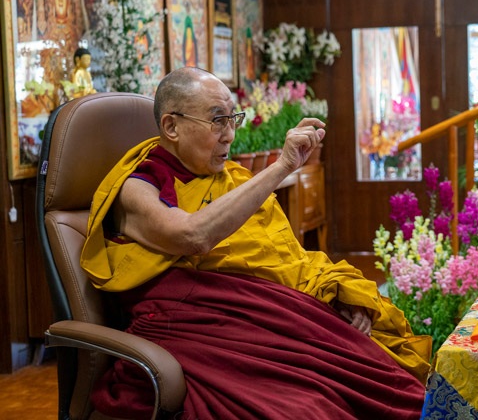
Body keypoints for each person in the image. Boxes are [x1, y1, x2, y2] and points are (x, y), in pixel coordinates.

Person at [80, 67, 431, 419]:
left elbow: (286, 258)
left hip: (270, 315)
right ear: (171, 127)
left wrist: (332, 292)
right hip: (206, 329)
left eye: (233, 120)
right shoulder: (137, 187)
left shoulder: (233, 179)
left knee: (380, 371)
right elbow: (192, 236)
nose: (230, 135)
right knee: (306, 407)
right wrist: (283, 166)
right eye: (218, 121)